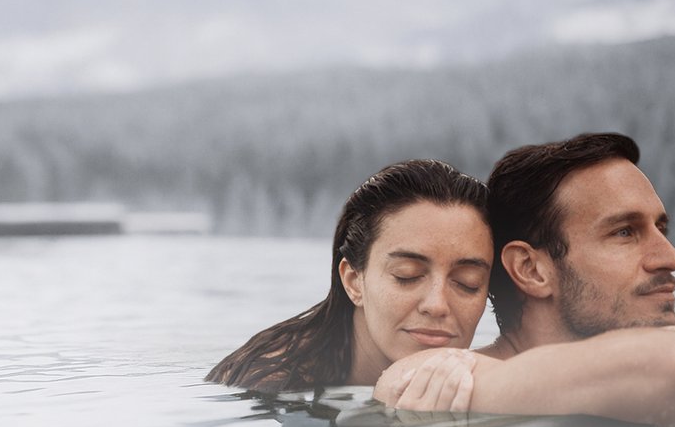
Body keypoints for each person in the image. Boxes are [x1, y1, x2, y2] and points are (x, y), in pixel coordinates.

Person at [377, 132, 675, 418]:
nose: (671, 257)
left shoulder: (643, 361)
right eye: (625, 232)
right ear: (531, 269)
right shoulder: (435, 374)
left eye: (661, 229)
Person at [207, 158, 491, 409]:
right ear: (354, 281)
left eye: (468, 283)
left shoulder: (490, 373)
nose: (437, 305)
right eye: (407, 275)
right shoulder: (275, 384)